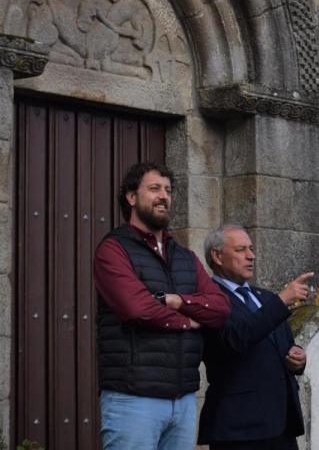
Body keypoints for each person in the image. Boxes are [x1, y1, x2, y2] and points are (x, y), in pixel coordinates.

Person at [93, 162, 231, 450]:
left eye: (168, 190)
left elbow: (219, 308)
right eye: (154, 188)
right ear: (131, 197)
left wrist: (178, 300)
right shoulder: (113, 249)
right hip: (133, 400)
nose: (163, 196)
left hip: (181, 401)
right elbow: (136, 307)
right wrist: (188, 320)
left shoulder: (184, 256)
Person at [198, 224, 314, 450]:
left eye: (251, 248)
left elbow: (282, 345)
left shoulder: (265, 297)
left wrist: (297, 357)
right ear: (217, 256)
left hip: (281, 425)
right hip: (239, 429)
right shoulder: (208, 298)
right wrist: (281, 301)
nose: (251, 256)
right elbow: (234, 339)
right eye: (241, 250)